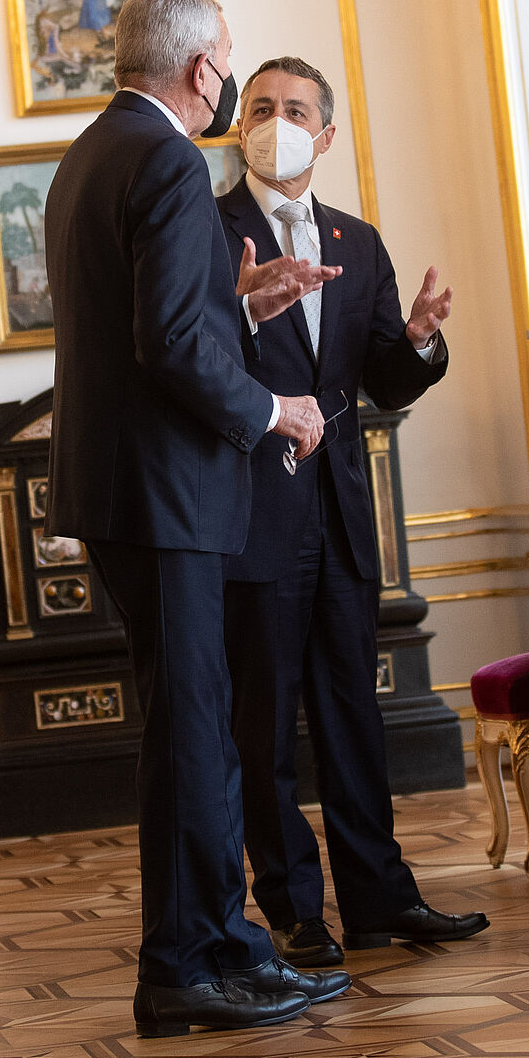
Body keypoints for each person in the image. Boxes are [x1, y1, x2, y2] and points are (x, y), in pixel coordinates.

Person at [44, 0, 350, 1038]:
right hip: (165, 494)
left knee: (191, 728)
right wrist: (274, 407)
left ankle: (213, 952)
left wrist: (241, 306)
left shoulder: (94, 152)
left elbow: (159, 323)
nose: (226, 76)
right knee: (193, 734)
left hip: (128, 491)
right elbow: (168, 347)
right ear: (200, 71)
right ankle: (194, 964)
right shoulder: (170, 160)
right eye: (226, 60)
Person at [218, 56, 489, 966]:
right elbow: (192, 356)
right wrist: (246, 313)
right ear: (238, 125)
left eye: (296, 110)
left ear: (326, 134)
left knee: (353, 715)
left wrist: (417, 339)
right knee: (264, 724)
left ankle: (380, 900)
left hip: (339, 510)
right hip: (253, 514)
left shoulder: (358, 242)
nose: (276, 122)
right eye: (261, 107)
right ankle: (295, 909)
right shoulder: (207, 230)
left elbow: (383, 380)